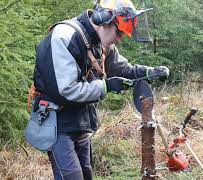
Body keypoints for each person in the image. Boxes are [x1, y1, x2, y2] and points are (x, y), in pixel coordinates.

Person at [32, 0, 169, 179]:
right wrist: (105, 86)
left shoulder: (100, 42)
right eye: (119, 31)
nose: (120, 38)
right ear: (103, 20)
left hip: (80, 120)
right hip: (56, 121)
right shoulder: (64, 36)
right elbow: (65, 90)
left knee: (87, 173)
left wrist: (148, 71)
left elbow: (123, 69)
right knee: (72, 176)